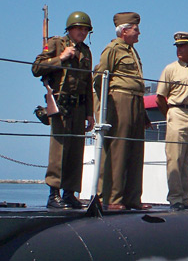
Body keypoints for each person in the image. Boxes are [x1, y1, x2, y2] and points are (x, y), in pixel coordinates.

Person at [32, 11, 94, 209]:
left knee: (76, 151)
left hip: (79, 106)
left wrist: (90, 113)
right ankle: (54, 194)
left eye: (85, 30)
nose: (82, 32)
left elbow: (87, 84)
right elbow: (36, 68)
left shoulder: (86, 52)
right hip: (61, 105)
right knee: (59, 151)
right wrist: (61, 58)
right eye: (79, 29)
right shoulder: (56, 44)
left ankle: (69, 193)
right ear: (70, 29)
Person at [94, 12, 151, 211]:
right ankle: (113, 198)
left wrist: (142, 113)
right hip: (120, 99)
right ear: (124, 30)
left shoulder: (132, 51)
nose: (139, 33)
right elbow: (100, 78)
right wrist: (105, 108)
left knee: (136, 150)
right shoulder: (112, 49)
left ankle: (133, 197)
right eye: (136, 29)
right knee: (118, 150)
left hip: (136, 100)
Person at [156, 32, 188, 211]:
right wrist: (170, 115)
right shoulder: (170, 69)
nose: (179, 50)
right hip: (177, 111)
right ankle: (176, 198)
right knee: (175, 157)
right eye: (177, 46)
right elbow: (160, 97)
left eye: (183, 46)